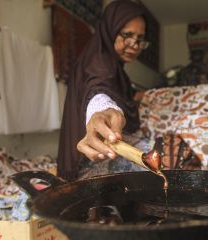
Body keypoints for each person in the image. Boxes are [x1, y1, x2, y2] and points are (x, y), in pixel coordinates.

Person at [57, 0, 151, 181]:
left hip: (85, 157)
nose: (134, 45)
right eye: (127, 35)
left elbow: (119, 92)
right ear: (111, 29)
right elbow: (98, 90)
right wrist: (104, 113)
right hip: (89, 160)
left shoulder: (111, 64)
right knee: (170, 155)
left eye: (140, 39)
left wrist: (141, 96)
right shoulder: (99, 63)